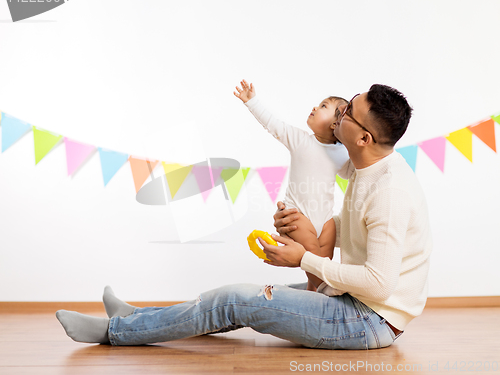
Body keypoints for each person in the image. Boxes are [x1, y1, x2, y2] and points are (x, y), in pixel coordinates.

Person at [55, 84, 432, 350]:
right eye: (347, 103)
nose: (340, 113)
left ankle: (114, 332)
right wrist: (303, 227)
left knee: (236, 300)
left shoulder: (389, 192)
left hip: (367, 320)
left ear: (363, 138)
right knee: (229, 299)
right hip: (352, 301)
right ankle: (136, 319)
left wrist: (304, 257)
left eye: (348, 112)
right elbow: (318, 179)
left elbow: (380, 285)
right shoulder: (364, 167)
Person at [234, 79, 351, 292]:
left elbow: (353, 172)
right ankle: (330, 292)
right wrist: (252, 101)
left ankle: (312, 293)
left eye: (324, 106)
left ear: (335, 124)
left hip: (325, 219)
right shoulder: (301, 140)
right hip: (298, 215)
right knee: (312, 256)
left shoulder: (342, 153)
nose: (316, 107)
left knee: (323, 260)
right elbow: (273, 124)